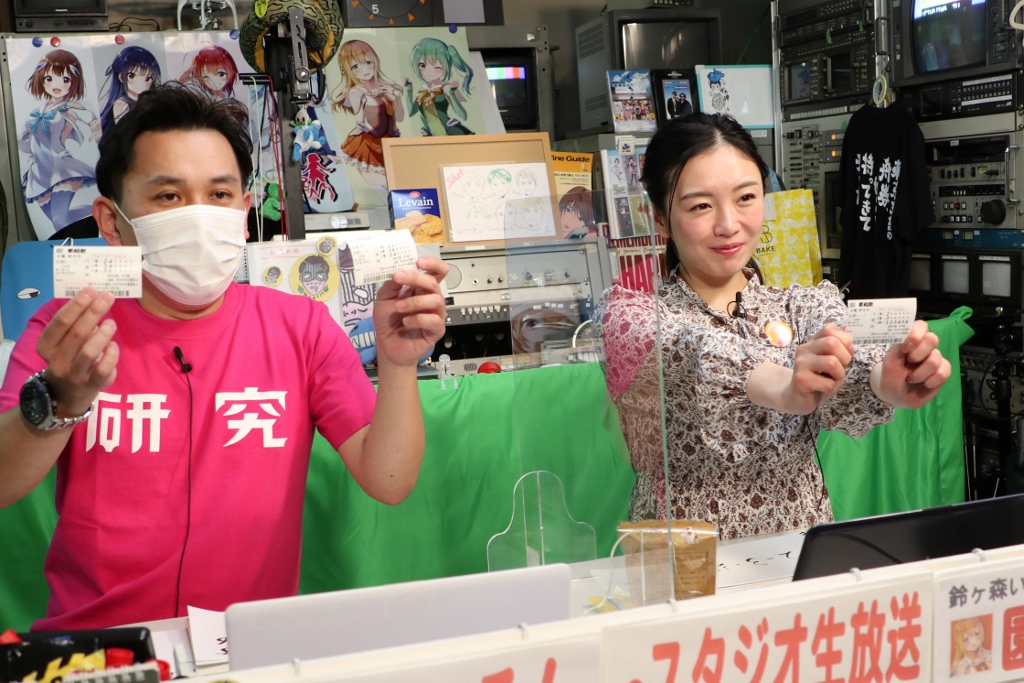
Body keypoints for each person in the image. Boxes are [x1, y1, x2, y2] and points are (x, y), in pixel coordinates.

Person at [0, 83, 448, 629]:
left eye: (218, 194)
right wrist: (60, 397)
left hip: (248, 645)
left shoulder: (301, 328)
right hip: (104, 648)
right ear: (112, 221)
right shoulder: (70, 332)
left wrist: (398, 365)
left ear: (243, 210)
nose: (198, 216)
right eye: (168, 196)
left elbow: (390, 480)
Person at [600, 113, 950, 539]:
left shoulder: (800, 304)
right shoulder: (633, 315)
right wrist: (785, 388)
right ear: (658, 217)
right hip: (685, 556)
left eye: (746, 198)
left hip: (799, 550)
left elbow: (847, 350)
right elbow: (693, 352)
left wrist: (884, 380)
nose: (729, 225)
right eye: (701, 206)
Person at [20, 49, 101, 233]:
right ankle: (99, 216)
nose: (57, 85)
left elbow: (89, 117)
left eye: (65, 79)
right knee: (59, 226)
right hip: (39, 171)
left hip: (60, 167)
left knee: (59, 221)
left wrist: (95, 125)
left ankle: (102, 218)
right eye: (49, 78)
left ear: (74, 81)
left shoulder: (70, 106)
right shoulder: (41, 108)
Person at [332, 40, 403, 200]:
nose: (364, 70)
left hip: (390, 140)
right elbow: (360, 121)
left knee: (396, 182)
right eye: (355, 67)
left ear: (375, 61)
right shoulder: (356, 92)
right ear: (348, 70)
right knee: (377, 183)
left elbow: (399, 117)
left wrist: (395, 97)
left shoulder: (387, 87)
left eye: (368, 63)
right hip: (368, 141)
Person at [404, 37, 474, 136]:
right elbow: (411, 112)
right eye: (423, 65)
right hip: (431, 135)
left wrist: (452, 94)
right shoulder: (423, 89)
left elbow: (463, 115)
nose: (429, 72)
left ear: (446, 67)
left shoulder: (446, 87)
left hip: (450, 133)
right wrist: (409, 90)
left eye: (437, 67)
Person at [99, 45, 161, 134]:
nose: (140, 84)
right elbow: (128, 135)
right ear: (121, 77)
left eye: (148, 78)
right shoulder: (122, 104)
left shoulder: (143, 102)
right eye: (132, 76)